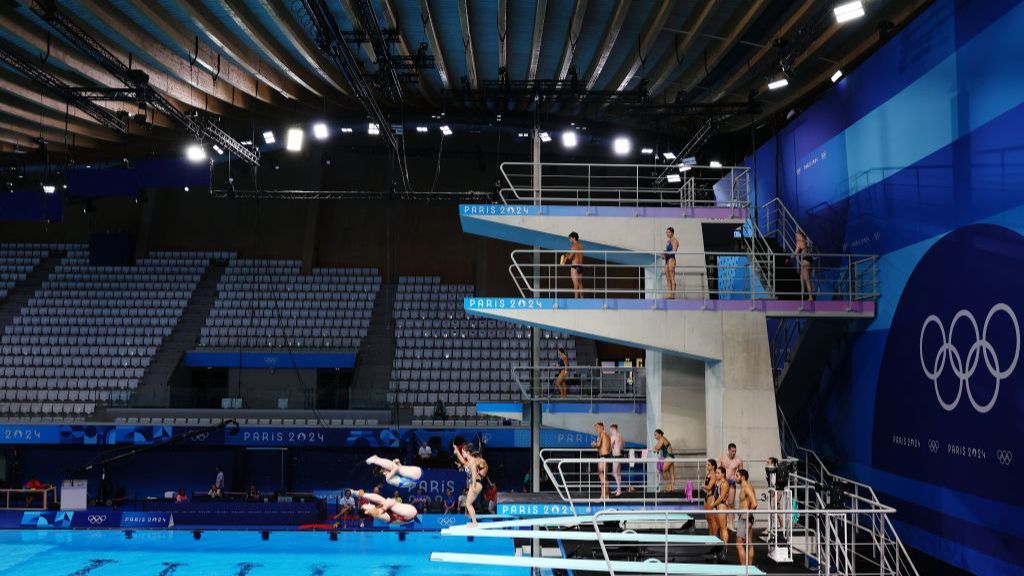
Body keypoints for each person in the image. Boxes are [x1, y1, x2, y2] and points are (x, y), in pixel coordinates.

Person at [735, 469, 758, 566]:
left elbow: (755, 504)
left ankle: (744, 569)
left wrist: (748, 516)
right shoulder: (745, 487)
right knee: (749, 543)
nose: (735, 478)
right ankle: (748, 568)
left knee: (739, 544)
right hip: (745, 519)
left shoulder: (747, 488)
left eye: (737, 476)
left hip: (745, 519)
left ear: (743, 477)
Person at [719, 443, 744, 529]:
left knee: (731, 504)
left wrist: (737, 478)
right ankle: (723, 524)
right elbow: (718, 471)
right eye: (732, 451)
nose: (734, 453)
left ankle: (731, 524)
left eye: (735, 451)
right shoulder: (722, 458)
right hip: (723, 482)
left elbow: (742, 474)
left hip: (731, 483)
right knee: (722, 503)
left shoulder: (738, 460)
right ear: (728, 450)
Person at [707, 465, 731, 551]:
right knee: (718, 527)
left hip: (722, 506)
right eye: (716, 473)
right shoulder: (717, 482)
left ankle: (725, 548)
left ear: (723, 474)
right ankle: (720, 545)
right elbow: (714, 495)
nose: (716, 474)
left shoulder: (725, 484)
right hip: (717, 506)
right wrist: (712, 503)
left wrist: (713, 505)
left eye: (718, 473)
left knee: (723, 528)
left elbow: (721, 497)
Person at [464, 451, 488, 526]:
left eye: (474, 458)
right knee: (468, 503)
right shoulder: (479, 463)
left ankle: (474, 522)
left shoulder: (482, 461)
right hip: (477, 483)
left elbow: (473, 465)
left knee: (468, 503)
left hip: (477, 483)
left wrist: (473, 485)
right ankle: (473, 520)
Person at [590, 421, 611, 500]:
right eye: (595, 428)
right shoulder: (607, 434)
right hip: (607, 456)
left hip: (603, 457)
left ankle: (603, 495)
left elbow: (598, 445)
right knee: (605, 477)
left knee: (602, 477)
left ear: (602, 427)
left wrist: (594, 444)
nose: (596, 429)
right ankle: (606, 496)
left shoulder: (602, 434)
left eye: (597, 427)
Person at [793, 230, 814, 300]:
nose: (795, 237)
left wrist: (788, 258)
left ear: (800, 235)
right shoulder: (806, 241)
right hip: (810, 262)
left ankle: (810, 296)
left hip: (805, 263)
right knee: (802, 277)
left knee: (807, 280)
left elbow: (795, 253)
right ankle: (804, 292)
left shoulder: (799, 242)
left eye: (796, 236)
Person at [565, 232, 585, 298]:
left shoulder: (574, 246)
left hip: (575, 266)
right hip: (580, 266)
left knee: (575, 284)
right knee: (580, 283)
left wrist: (566, 254)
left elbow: (570, 257)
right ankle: (582, 299)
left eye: (570, 238)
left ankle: (576, 300)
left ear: (574, 238)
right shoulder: (581, 246)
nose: (569, 240)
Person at [702, 459, 718, 537]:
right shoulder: (707, 474)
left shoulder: (714, 475)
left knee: (712, 518)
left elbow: (709, 487)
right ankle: (710, 535)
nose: (707, 466)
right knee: (707, 517)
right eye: (707, 464)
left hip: (711, 496)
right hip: (706, 496)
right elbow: (706, 486)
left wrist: (703, 486)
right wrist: (704, 486)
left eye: (708, 465)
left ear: (713, 466)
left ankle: (714, 536)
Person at [663, 227, 680, 298]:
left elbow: (674, 251)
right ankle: (670, 294)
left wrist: (666, 253)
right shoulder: (668, 241)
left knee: (672, 277)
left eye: (668, 232)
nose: (667, 234)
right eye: (666, 232)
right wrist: (663, 253)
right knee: (667, 278)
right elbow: (667, 250)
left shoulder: (675, 240)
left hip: (671, 259)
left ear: (672, 233)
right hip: (667, 259)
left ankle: (673, 295)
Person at [609, 424, 624, 496]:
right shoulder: (620, 435)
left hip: (616, 456)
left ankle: (619, 490)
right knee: (618, 473)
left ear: (612, 428)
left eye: (610, 429)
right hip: (620, 455)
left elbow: (610, 446)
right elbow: (623, 445)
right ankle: (618, 489)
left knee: (614, 473)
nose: (610, 431)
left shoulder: (613, 436)